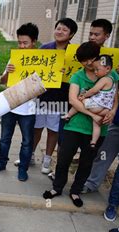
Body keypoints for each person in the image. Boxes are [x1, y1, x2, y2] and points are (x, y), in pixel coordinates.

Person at [43, 42, 119, 207]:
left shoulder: (110, 74)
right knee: (64, 159)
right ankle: (57, 188)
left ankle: (75, 191)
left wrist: (112, 111)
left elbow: (115, 96)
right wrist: (92, 114)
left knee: (87, 162)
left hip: (98, 129)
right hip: (75, 125)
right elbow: (73, 100)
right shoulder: (78, 76)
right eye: (83, 61)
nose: (88, 64)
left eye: (90, 59)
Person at [0, 23, 39, 182]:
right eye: (19, 42)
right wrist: (7, 73)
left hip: (29, 109)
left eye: (25, 43)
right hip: (10, 105)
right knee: (4, 138)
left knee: (27, 141)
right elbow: (3, 81)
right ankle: (1, 163)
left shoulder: (42, 60)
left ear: (34, 42)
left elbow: (48, 84)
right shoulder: (14, 57)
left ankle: (23, 168)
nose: (21, 46)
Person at [28, 18, 78, 175]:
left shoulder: (74, 54)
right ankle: (29, 155)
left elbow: (77, 76)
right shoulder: (45, 48)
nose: (60, 32)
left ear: (72, 35)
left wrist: (67, 73)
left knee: (53, 130)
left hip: (61, 97)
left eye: (65, 30)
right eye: (58, 28)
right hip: (42, 95)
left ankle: (47, 159)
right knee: (36, 128)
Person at [82, 19, 119, 194]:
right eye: (90, 33)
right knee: (100, 152)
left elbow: (116, 91)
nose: (92, 37)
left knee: (99, 149)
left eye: (96, 34)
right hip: (92, 114)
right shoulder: (84, 59)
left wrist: (113, 110)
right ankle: (88, 182)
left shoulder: (111, 69)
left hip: (107, 113)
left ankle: (95, 186)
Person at [62, 55, 117, 147]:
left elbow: (94, 90)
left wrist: (84, 96)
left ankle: (68, 115)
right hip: (105, 108)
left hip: (96, 105)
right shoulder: (112, 80)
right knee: (96, 124)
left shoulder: (104, 79)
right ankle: (93, 141)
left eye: (97, 70)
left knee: (78, 102)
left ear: (107, 69)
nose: (95, 72)